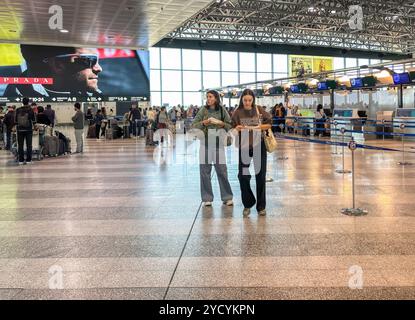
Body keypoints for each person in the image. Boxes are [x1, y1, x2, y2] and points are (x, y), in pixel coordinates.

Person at [4, 45, 103, 98]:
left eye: (98, 60)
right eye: (89, 60)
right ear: (58, 65)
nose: (99, 68)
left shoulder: (89, 92)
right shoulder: (19, 93)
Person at [232, 89, 272, 217]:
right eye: (245, 100)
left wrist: (258, 127)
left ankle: (261, 207)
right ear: (241, 100)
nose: (248, 103)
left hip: (258, 145)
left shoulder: (259, 110)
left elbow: (269, 124)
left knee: (260, 176)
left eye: (250, 100)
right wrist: (236, 128)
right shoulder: (237, 112)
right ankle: (248, 203)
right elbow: (232, 127)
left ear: (253, 100)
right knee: (243, 176)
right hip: (244, 146)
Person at [192, 90, 233, 207]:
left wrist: (222, 124)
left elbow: (230, 125)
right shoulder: (203, 110)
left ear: (216, 98)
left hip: (218, 144)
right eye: (207, 97)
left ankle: (227, 197)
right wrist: (204, 123)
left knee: (222, 171)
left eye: (210, 97)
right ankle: (207, 198)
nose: (208, 99)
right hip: (205, 144)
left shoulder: (222, 110)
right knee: (204, 171)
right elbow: (194, 125)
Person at [14, 97, 36, 165]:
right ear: (28, 102)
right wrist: (35, 126)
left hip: (19, 129)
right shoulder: (31, 110)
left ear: (22, 102)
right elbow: (34, 120)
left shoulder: (18, 110)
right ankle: (28, 160)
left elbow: (15, 121)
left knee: (20, 145)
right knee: (29, 145)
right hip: (28, 129)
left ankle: (21, 160)